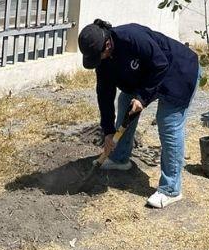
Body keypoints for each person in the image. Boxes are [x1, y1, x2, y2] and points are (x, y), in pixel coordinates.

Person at [78, 19, 200, 209]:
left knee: (168, 122)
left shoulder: (131, 37)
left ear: (107, 44)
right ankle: (119, 158)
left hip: (177, 71)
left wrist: (143, 98)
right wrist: (108, 130)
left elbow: (160, 64)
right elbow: (104, 93)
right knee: (125, 101)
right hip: (145, 76)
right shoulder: (103, 59)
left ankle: (171, 189)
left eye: (98, 56)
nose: (98, 61)